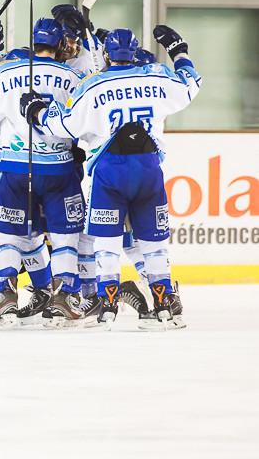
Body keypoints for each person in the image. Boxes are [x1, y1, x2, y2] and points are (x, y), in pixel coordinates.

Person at [21, 25, 200, 329]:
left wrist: (35, 110)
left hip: (109, 171)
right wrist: (179, 50)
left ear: (106, 54)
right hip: (148, 170)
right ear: (134, 52)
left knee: (107, 241)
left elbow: (63, 125)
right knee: (152, 241)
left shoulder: (93, 85)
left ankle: (107, 306)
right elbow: (191, 83)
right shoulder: (155, 75)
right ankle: (166, 305)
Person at [0, 17, 86, 327]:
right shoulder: (74, 75)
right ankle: (65, 295)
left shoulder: (6, 72)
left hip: (15, 167)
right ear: (61, 44)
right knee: (63, 235)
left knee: (7, 232)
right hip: (59, 168)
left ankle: (5, 292)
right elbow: (85, 123)